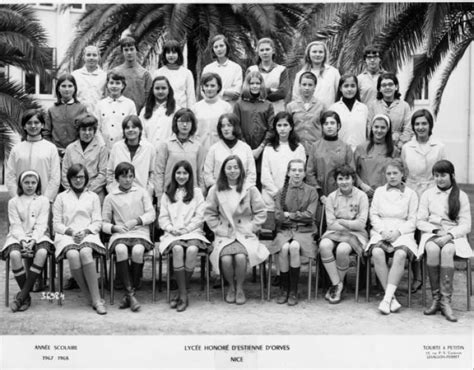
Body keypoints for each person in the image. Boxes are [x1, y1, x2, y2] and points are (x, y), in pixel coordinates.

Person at [204, 155, 269, 305]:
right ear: (223, 170)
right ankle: (231, 288)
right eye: (229, 168)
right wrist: (218, 228)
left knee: (240, 257)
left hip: (244, 232)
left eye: (235, 167)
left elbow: (261, 212)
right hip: (225, 233)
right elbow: (209, 213)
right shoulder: (215, 189)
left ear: (241, 170)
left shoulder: (250, 189)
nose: (232, 171)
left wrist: (251, 227)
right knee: (226, 259)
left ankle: (240, 288)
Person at [417, 160, 472, 322]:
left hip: (454, 235)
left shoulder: (460, 196)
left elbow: (466, 225)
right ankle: (436, 298)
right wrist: (436, 231)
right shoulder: (428, 194)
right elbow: (420, 220)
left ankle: (446, 300)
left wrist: (449, 235)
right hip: (432, 232)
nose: (440, 179)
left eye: (443, 175)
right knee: (433, 250)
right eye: (436, 176)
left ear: (452, 176)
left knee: (447, 251)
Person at [53, 164, 107, 315]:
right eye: (74, 177)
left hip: (87, 234)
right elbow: (56, 224)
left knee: (85, 253)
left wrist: (85, 231)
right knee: (72, 255)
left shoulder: (93, 197)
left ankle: (96, 299)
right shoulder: (61, 197)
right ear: (69, 179)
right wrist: (70, 232)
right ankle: (90, 296)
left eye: (81, 177)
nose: (78, 180)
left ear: (86, 178)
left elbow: (97, 222)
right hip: (66, 236)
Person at [102, 162, 156, 312]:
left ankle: (129, 293)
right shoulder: (110, 197)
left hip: (140, 232)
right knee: (120, 250)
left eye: (130, 176)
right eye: (124, 176)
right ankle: (131, 293)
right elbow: (103, 223)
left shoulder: (142, 192)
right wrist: (115, 227)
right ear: (117, 178)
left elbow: (151, 214)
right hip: (120, 233)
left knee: (138, 251)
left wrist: (137, 221)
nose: (127, 180)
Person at [367, 159, 418, 315]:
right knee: (377, 252)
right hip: (381, 230)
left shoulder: (411, 194)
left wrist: (398, 232)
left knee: (401, 254)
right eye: (388, 173)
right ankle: (391, 298)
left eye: (395, 173)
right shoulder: (379, 192)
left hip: (402, 232)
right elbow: (373, 215)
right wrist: (382, 231)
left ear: (402, 174)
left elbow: (413, 219)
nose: (392, 176)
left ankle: (387, 298)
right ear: (385, 176)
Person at [158, 161, 210, 312]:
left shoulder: (197, 192)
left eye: (185, 173)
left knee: (193, 249)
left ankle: (181, 293)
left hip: (193, 232)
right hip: (173, 233)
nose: (181, 176)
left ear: (190, 175)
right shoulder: (167, 193)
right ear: (174, 175)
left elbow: (200, 216)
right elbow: (163, 218)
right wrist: (171, 228)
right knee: (178, 249)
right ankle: (183, 294)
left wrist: (187, 229)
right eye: (178, 173)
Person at [1, 170, 54, 312]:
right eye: (26, 182)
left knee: (42, 252)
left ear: (38, 184)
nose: (30, 186)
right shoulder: (13, 202)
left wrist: (34, 240)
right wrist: (24, 240)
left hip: (39, 235)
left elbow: (42, 224)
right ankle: (26, 296)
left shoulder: (43, 201)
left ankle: (21, 296)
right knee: (14, 255)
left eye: (33, 183)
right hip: (17, 236)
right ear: (20, 184)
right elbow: (15, 224)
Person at [319, 164, 369, 304]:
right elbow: (330, 223)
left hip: (357, 234)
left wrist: (341, 221)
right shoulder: (331, 197)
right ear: (336, 181)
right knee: (324, 245)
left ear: (353, 179)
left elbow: (361, 224)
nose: (344, 182)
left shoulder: (361, 196)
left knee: (342, 249)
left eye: (347, 178)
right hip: (334, 232)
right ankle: (338, 284)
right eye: (340, 179)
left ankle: (336, 287)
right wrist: (347, 223)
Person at [273, 159, 318, 305]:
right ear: (288, 172)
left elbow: (310, 215)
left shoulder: (311, 192)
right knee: (284, 247)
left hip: (305, 231)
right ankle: (283, 288)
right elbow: (278, 216)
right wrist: (298, 217)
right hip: (286, 230)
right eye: (294, 170)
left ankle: (293, 290)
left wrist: (290, 215)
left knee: (294, 247)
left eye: (300, 170)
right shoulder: (281, 192)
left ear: (305, 173)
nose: (297, 173)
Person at [6, 109, 60, 202]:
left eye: (36, 122)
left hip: (43, 201)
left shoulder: (51, 148)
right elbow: (10, 176)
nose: (33, 126)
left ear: (42, 125)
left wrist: (46, 200)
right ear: (24, 126)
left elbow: (55, 177)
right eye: (29, 123)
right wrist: (16, 199)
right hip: (20, 201)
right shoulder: (16, 149)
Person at [155, 108, 205, 205]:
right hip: (170, 193)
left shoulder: (198, 146)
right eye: (181, 121)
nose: (185, 125)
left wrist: (202, 193)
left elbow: (200, 173)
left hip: (191, 194)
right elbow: (159, 172)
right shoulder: (166, 145)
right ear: (175, 123)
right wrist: (159, 195)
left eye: (188, 122)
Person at [233, 70, 274, 188]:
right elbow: (236, 127)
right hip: (244, 147)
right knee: (244, 177)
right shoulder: (239, 104)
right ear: (247, 85)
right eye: (252, 83)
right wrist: (247, 148)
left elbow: (271, 129)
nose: (255, 86)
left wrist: (260, 148)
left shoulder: (268, 105)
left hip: (262, 149)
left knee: (261, 179)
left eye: (258, 83)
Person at [306, 110, 354, 203]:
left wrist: (343, 191)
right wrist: (319, 193)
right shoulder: (315, 146)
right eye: (326, 123)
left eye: (332, 123)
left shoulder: (346, 147)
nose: (329, 126)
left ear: (338, 126)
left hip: (342, 195)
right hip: (320, 195)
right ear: (322, 127)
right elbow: (310, 172)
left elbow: (351, 172)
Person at [261, 112, 306, 211]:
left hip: (292, 197)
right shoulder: (269, 148)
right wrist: (276, 194)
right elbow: (265, 175)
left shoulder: (299, 148)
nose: (282, 128)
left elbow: (299, 173)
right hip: (270, 198)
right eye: (279, 125)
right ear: (275, 127)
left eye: (285, 125)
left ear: (291, 127)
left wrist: (287, 195)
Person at [203, 113, 256, 191]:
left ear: (236, 127)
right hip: (219, 192)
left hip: (242, 192)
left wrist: (242, 189)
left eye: (229, 125)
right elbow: (207, 175)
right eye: (223, 126)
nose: (226, 129)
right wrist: (219, 188)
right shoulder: (214, 149)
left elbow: (251, 175)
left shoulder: (246, 148)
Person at [62, 113, 107, 203]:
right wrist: (73, 191)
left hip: (95, 193)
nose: (87, 133)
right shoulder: (70, 148)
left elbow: (103, 173)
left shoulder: (101, 148)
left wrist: (88, 191)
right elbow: (64, 173)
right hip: (73, 193)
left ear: (94, 131)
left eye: (90, 129)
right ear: (78, 131)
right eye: (83, 129)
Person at [106, 115, 156, 198]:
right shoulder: (116, 147)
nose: (130, 130)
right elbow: (109, 172)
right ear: (124, 131)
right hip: (118, 196)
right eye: (127, 127)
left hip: (141, 196)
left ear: (140, 129)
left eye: (134, 127)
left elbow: (153, 174)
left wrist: (148, 193)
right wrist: (112, 190)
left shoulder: (149, 148)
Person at [401, 109, 446, 198]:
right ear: (413, 126)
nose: (420, 127)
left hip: (433, 191)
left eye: (424, 123)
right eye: (417, 124)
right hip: (411, 192)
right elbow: (404, 173)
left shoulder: (439, 147)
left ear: (430, 125)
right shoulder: (406, 148)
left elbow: (444, 173)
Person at [354, 114, 399, 199]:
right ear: (371, 127)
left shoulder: (394, 150)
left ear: (388, 129)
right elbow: (352, 171)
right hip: (365, 194)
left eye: (383, 127)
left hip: (387, 195)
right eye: (376, 127)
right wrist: (362, 185)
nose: (379, 130)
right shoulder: (361, 148)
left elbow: (398, 174)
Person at [43, 73, 88, 158]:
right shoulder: (52, 110)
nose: (67, 89)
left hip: (76, 152)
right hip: (55, 153)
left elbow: (84, 132)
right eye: (63, 86)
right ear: (58, 89)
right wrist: (54, 149)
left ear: (75, 88)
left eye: (70, 86)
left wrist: (74, 149)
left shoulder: (81, 108)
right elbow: (46, 133)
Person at [368, 72, 413, 150]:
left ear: (396, 87)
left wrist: (400, 142)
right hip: (377, 147)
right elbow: (369, 128)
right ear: (379, 89)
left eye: (390, 84)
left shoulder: (404, 106)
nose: (387, 87)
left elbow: (408, 129)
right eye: (384, 85)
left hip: (398, 147)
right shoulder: (373, 105)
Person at [96, 71, 137, 152]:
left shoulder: (129, 104)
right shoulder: (100, 104)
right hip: (103, 148)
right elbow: (96, 127)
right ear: (107, 85)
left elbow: (133, 126)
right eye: (111, 83)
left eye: (118, 83)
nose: (114, 86)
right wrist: (102, 145)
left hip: (124, 148)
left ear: (123, 86)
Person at [291, 41, 340, 108]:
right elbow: (296, 96)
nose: (317, 54)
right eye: (314, 52)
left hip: (329, 115)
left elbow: (339, 94)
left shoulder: (333, 72)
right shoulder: (301, 74)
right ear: (308, 54)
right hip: (307, 115)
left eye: (320, 52)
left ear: (325, 54)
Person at [286, 71, 326, 154]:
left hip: (315, 150)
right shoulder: (291, 106)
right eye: (304, 84)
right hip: (296, 149)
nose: (307, 88)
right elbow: (287, 128)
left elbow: (325, 128)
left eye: (310, 85)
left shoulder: (321, 106)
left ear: (315, 87)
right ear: (299, 86)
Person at [247, 37, 289, 113]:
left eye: (267, 49)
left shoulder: (282, 70)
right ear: (258, 53)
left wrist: (260, 94)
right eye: (262, 50)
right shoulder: (251, 70)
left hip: (276, 110)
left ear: (273, 51)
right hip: (256, 111)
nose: (265, 52)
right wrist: (270, 90)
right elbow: (247, 92)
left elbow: (282, 93)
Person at [330, 73, 369, 151]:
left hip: (360, 152)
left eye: (352, 86)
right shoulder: (333, 108)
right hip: (339, 152)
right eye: (346, 86)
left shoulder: (364, 108)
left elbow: (367, 133)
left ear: (357, 88)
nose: (349, 89)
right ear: (340, 88)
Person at [113, 36, 153, 113]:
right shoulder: (115, 72)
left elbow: (149, 98)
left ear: (136, 50)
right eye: (126, 50)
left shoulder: (145, 74)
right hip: (119, 114)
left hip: (139, 115)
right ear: (122, 52)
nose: (129, 53)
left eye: (131, 49)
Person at [194, 72, 232, 152]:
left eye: (212, 86)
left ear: (218, 87)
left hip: (220, 150)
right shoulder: (195, 107)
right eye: (206, 86)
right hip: (199, 149)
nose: (209, 89)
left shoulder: (226, 107)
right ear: (202, 87)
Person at [202, 34, 242, 106]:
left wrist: (214, 92)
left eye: (221, 46)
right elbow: (203, 91)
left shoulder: (236, 68)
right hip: (212, 107)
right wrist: (224, 93)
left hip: (230, 107)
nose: (219, 49)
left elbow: (236, 93)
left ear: (227, 47)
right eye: (216, 47)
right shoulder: (208, 68)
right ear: (213, 50)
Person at [155, 39, 195, 109]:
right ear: (164, 55)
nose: (171, 55)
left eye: (174, 52)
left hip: (181, 113)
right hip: (163, 112)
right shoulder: (158, 73)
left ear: (179, 54)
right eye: (168, 52)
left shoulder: (187, 73)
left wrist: (190, 113)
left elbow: (191, 97)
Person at [139, 76, 179, 148]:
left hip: (169, 151)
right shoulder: (145, 110)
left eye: (163, 88)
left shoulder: (176, 110)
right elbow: (141, 132)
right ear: (152, 90)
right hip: (148, 151)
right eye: (157, 88)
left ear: (169, 89)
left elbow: (177, 133)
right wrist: (147, 147)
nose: (160, 91)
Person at [72, 45, 107, 114]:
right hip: (78, 115)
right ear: (83, 57)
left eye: (94, 55)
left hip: (98, 115)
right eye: (88, 55)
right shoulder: (75, 75)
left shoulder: (104, 76)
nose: (91, 58)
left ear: (99, 57)